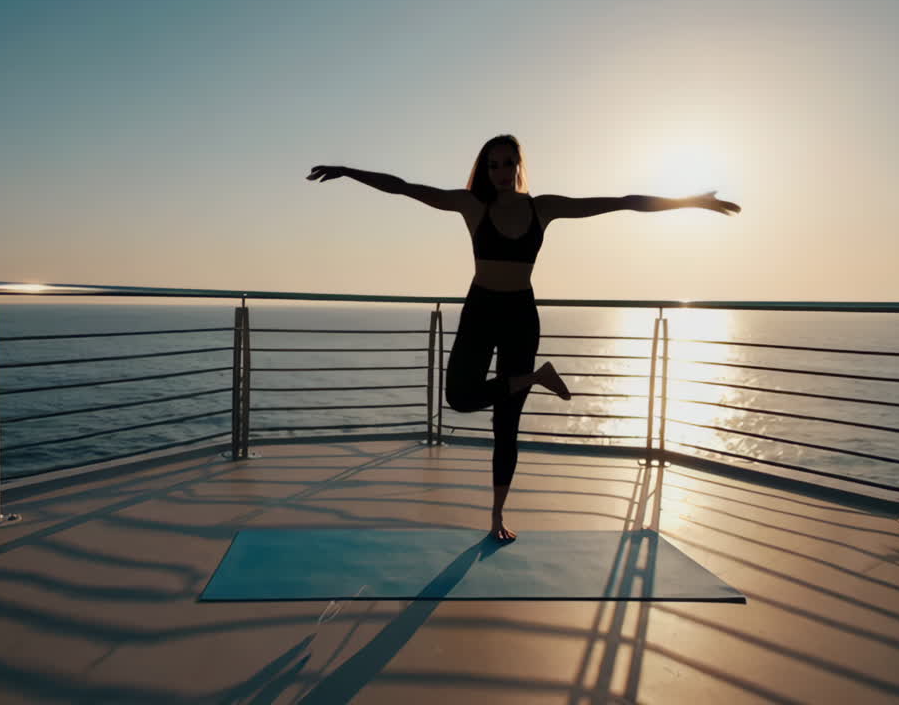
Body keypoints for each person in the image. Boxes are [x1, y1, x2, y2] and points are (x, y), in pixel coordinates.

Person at [308, 134, 740, 543]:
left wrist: (692, 202)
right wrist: (347, 170)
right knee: (459, 396)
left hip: (519, 315)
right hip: (481, 311)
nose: (500, 171)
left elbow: (623, 203)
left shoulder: (542, 208)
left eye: (508, 162)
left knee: (506, 425)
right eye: (493, 164)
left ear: (518, 165)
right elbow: (403, 187)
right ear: (485, 168)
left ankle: (497, 515)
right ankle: (535, 378)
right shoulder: (470, 205)